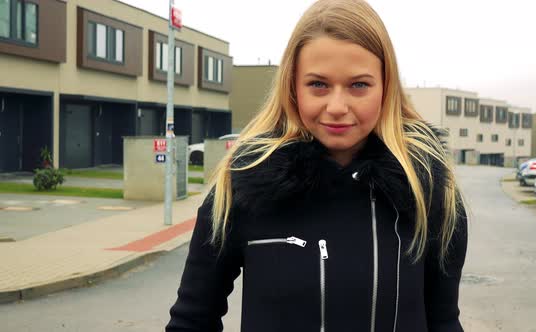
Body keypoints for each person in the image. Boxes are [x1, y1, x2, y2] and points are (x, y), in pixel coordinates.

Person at [166, 0, 468, 331]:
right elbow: (192, 320)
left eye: (359, 85)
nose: (337, 106)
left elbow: (444, 322)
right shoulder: (240, 187)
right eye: (319, 84)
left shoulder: (430, 192)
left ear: (386, 88)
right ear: (293, 87)